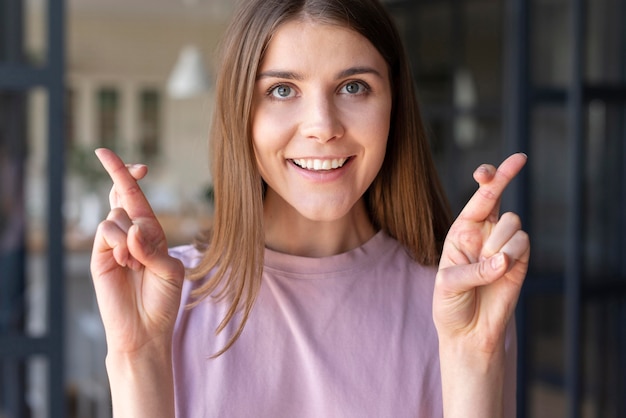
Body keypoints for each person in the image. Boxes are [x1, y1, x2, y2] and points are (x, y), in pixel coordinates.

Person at [90, 0, 530, 416]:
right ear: (239, 112)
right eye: (282, 90)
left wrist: (476, 357)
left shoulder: (459, 301)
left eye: (354, 87)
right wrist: (136, 355)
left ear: (393, 104)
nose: (322, 126)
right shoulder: (171, 298)